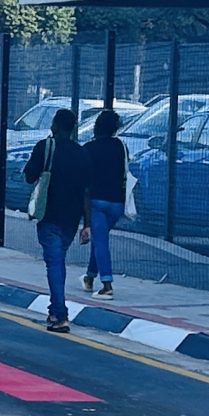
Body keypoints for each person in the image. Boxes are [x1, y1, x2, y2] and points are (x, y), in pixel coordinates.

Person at [24, 106, 91, 331]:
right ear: (73, 129)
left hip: (49, 214)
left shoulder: (45, 147)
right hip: (71, 219)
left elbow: (28, 176)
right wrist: (87, 224)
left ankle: (60, 314)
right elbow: (86, 191)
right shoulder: (82, 153)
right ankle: (55, 312)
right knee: (58, 260)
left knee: (54, 263)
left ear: (54, 125)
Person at [81, 107, 128, 297]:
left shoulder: (88, 149)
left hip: (96, 202)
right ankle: (90, 276)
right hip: (117, 202)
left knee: (101, 242)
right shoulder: (120, 146)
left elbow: (83, 181)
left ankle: (107, 284)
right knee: (99, 239)